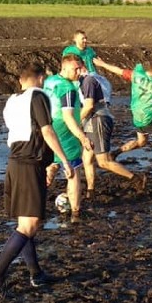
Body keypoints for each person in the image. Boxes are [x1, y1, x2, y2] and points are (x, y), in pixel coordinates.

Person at [0, 63, 74, 298]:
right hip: (28, 164)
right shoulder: (38, 96)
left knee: (26, 223)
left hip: (16, 162)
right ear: (41, 79)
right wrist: (63, 161)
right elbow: (47, 131)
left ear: (21, 80)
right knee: (28, 225)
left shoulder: (12, 101)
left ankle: (36, 274)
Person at [78, 68, 146, 198]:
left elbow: (89, 105)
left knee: (103, 162)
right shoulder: (98, 79)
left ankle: (135, 178)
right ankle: (90, 191)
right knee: (87, 158)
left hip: (97, 120)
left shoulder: (88, 81)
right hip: (94, 119)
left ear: (82, 68)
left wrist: (76, 122)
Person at [44, 54, 92, 221]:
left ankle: (50, 171)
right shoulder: (68, 89)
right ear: (64, 67)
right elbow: (68, 117)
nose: (78, 71)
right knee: (74, 172)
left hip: (48, 130)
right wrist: (82, 137)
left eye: (80, 68)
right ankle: (75, 211)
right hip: (65, 134)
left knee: (54, 160)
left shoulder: (50, 82)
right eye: (75, 68)